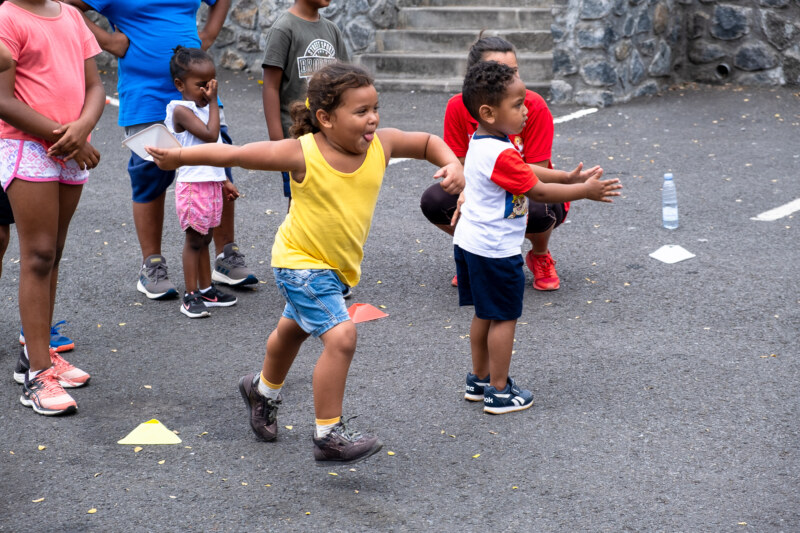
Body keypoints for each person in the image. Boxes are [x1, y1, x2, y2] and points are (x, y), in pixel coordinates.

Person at [147, 63, 464, 464]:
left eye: (375, 108)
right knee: (341, 336)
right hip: (299, 262)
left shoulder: (380, 145)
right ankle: (328, 434)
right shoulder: (303, 152)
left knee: (292, 331)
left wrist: (453, 164)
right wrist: (177, 155)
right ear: (325, 118)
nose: (373, 119)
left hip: (334, 268)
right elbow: (238, 154)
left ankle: (261, 391)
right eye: (361, 111)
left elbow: (427, 142)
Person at [455, 61, 621, 414]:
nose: (526, 110)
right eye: (517, 105)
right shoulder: (498, 149)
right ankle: (499, 392)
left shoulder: (486, 141)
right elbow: (538, 193)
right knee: (503, 316)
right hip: (495, 250)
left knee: (484, 313)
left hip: (471, 243)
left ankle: (479, 379)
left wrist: (564, 175)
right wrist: (584, 191)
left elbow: (523, 167)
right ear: (487, 111)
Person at [64, 0, 258, 299]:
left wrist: (204, 38)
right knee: (150, 177)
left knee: (217, 166)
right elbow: (63, 4)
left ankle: (226, 256)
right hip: (146, 98)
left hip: (201, 97)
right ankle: (152, 264)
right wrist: (109, 42)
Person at [420, 36, 602, 291]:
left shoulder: (531, 106)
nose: (509, 78)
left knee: (538, 208)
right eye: (500, 72)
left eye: (513, 71)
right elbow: (462, 166)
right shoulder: (460, 110)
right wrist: (586, 191)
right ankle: (479, 257)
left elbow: (535, 181)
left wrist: (563, 177)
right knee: (436, 200)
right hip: (495, 190)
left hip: (526, 186)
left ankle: (538, 255)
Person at [0, 0, 105, 415]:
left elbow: (95, 86)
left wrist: (82, 129)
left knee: (53, 254)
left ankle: (36, 353)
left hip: (70, 148)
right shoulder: (7, 16)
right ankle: (37, 374)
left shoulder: (71, 15)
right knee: (38, 255)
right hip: (28, 148)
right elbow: (3, 100)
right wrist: (68, 135)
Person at [165, 46, 239, 318]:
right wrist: (214, 101)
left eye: (211, 84)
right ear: (179, 85)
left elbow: (216, 149)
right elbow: (210, 136)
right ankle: (190, 293)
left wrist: (224, 180)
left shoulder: (205, 109)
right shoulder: (181, 110)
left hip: (210, 184)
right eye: (201, 85)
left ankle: (207, 289)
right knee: (193, 240)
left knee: (206, 238)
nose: (208, 90)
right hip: (193, 187)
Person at [261, 0, 349, 208]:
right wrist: (276, 140)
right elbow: (270, 87)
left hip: (329, 133)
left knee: (329, 199)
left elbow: (346, 80)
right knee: (300, 201)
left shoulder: (331, 29)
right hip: (296, 136)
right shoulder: (283, 29)